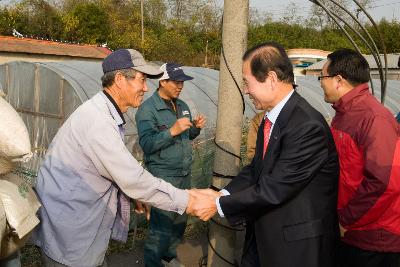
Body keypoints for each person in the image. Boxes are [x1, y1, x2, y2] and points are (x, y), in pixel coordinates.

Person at [32, 49, 200, 267]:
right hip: (71, 237)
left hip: (77, 226)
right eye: (141, 80)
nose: (145, 87)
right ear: (120, 80)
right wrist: (190, 201)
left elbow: (111, 169)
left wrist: (130, 192)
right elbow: (133, 177)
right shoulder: (98, 121)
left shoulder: (104, 112)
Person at [188, 41, 340, 267]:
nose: (246, 90)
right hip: (263, 238)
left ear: (270, 79)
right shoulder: (273, 119)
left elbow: (275, 188)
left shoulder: (306, 125)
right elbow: (256, 171)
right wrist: (221, 194)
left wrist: (218, 205)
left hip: (295, 248)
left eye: (247, 82)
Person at [319, 48, 400, 267]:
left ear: (338, 80)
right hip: (353, 233)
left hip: (374, 238)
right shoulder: (345, 115)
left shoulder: (373, 119)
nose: (320, 83)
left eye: (322, 77)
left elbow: (385, 183)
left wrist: (347, 219)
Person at [135, 62, 206, 267]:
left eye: (182, 82)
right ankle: (153, 263)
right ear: (163, 81)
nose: (180, 86)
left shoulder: (182, 106)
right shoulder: (148, 110)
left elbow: (187, 134)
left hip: (184, 173)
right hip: (163, 176)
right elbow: (147, 144)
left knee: (179, 223)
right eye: (176, 81)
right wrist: (171, 131)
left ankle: (168, 258)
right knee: (161, 227)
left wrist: (196, 129)